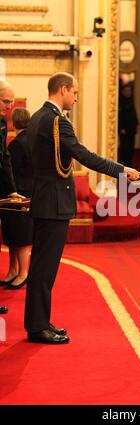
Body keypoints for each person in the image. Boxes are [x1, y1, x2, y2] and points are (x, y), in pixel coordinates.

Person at [24, 72, 140, 344]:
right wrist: (123, 170)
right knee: (45, 268)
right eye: (75, 92)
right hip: (53, 202)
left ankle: (39, 322)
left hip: (44, 198)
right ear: (63, 89)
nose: (76, 97)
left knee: (42, 266)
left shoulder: (37, 117)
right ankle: (38, 327)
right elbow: (85, 156)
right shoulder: (56, 122)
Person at [1, 108, 33, 290]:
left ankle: (22, 273)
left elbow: (8, 171)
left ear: (13, 122)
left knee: (19, 237)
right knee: (13, 235)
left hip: (16, 195)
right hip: (25, 193)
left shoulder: (17, 144)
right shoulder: (31, 140)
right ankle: (13, 271)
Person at [0, 80, 24, 314]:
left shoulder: (1, 122)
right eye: (5, 101)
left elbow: (5, 158)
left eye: (11, 102)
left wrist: (11, 189)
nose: (9, 106)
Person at [118, 84, 139, 167]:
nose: (128, 92)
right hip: (124, 129)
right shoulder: (120, 101)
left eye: (130, 91)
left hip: (132, 128)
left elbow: (133, 114)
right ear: (123, 92)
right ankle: (124, 165)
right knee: (124, 148)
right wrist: (121, 128)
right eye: (126, 91)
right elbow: (120, 116)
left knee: (131, 147)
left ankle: (129, 163)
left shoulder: (130, 99)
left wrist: (136, 124)